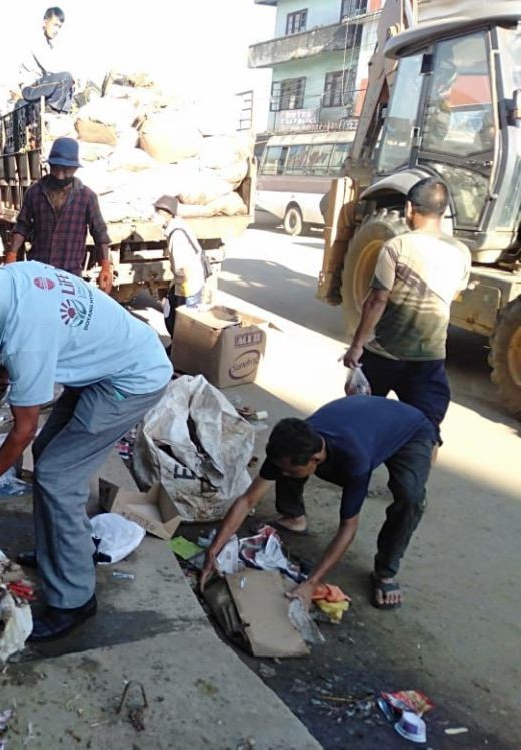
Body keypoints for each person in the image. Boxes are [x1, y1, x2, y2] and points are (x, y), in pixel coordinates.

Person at [0, 240, 172, 640]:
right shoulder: (12, 281)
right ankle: (64, 549)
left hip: (132, 380)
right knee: (51, 458)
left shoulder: (25, 332)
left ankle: (74, 600)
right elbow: (31, 355)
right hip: (105, 363)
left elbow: (22, 429)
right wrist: (3, 378)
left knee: (56, 476)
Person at [200, 396, 437, 610]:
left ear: (315, 460)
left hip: (411, 430)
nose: (282, 473)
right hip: (365, 416)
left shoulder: (355, 461)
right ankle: (294, 517)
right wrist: (214, 549)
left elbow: (348, 527)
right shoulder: (294, 443)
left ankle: (386, 571)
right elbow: (247, 499)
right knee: (286, 472)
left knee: (410, 497)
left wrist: (311, 583)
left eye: (290, 469)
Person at [342, 177, 471, 437]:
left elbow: (377, 299)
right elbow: (453, 293)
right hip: (430, 359)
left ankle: (357, 472)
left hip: (384, 355)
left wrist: (356, 346)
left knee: (358, 421)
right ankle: (414, 476)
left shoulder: (397, 245)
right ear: (443, 212)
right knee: (426, 433)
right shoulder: (461, 251)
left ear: (410, 208)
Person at [4, 138, 113, 292]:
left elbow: (99, 232)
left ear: (75, 169)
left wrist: (105, 266)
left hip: (71, 276)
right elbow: (22, 226)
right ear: (49, 166)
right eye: (55, 169)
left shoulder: (87, 197)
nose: (60, 176)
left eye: (66, 170)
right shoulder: (35, 193)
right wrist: (12, 255)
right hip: (39, 274)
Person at [153, 195, 210, 333]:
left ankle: (181, 349)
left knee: (183, 322)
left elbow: (183, 268)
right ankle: (177, 346)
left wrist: (183, 294)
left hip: (189, 283)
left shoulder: (176, 235)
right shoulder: (177, 225)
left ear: (166, 214)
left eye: (158, 213)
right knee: (176, 318)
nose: (155, 217)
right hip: (189, 280)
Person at [15, 6, 75, 113]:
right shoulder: (36, 38)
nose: (57, 30)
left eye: (59, 27)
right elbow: (50, 67)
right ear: (45, 22)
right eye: (55, 25)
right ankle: (51, 112)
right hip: (31, 88)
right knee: (66, 77)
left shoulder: (47, 44)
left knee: (70, 86)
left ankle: (63, 114)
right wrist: (72, 77)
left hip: (40, 85)